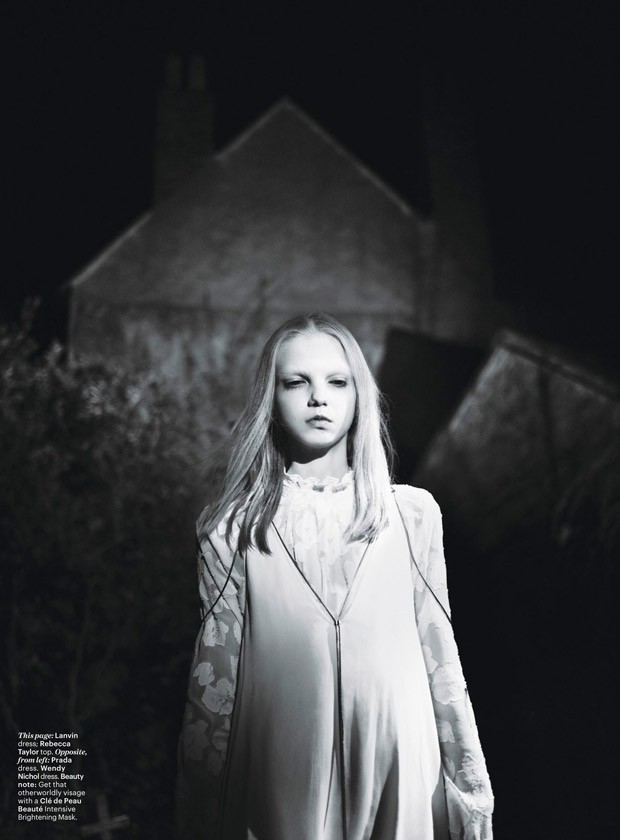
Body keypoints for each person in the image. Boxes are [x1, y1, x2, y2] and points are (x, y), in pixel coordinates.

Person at [176, 313, 493, 840]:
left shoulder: (411, 515)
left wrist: (468, 787)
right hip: (282, 772)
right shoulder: (231, 528)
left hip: (401, 769)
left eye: (337, 381)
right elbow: (214, 677)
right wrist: (200, 808)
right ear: (270, 399)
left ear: (359, 395)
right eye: (296, 382)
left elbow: (441, 657)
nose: (318, 398)